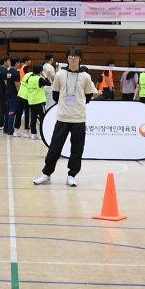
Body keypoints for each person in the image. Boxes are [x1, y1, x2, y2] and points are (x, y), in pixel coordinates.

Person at [34, 47, 100, 187]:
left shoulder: (86, 77)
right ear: (67, 58)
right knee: (55, 148)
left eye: (76, 56)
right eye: (70, 56)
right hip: (63, 117)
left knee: (77, 149)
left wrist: (77, 103)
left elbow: (88, 96)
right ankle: (46, 174)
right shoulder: (60, 75)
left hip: (79, 118)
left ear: (80, 59)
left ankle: (71, 175)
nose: (73, 59)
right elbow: (56, 94)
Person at [22, 64, 48, 139]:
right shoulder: (39, 79)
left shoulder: (29, 78)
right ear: (40, 71)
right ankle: (42, 134)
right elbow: (48, 83)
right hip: (39, 101)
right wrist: (45, 76)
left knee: (33, 118)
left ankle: (33, 133)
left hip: (31, 101)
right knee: (43, 118)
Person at [3, 56, 21, 136]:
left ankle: (5, 128)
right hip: (13, 94)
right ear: (17, 63)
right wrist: (20, 93)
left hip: (7, 92)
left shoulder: (8, 72)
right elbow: (17, 84)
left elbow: (6, 83)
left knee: (7, 111)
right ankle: (10, 129)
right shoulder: (15, 72)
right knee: (12, 111)